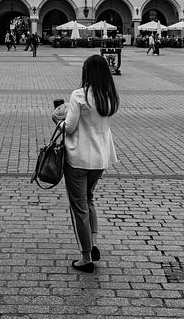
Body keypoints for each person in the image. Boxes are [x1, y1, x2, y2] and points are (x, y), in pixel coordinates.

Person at [55, 54, 119, 273]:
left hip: (79, 158)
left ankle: (85, 257)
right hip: (100, 158)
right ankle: (92, 243)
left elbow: (69, 127)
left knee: (79, 207)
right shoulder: (109, 96)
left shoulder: (79, 95)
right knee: (89, 199)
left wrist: (57, 119)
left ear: (87, 72)